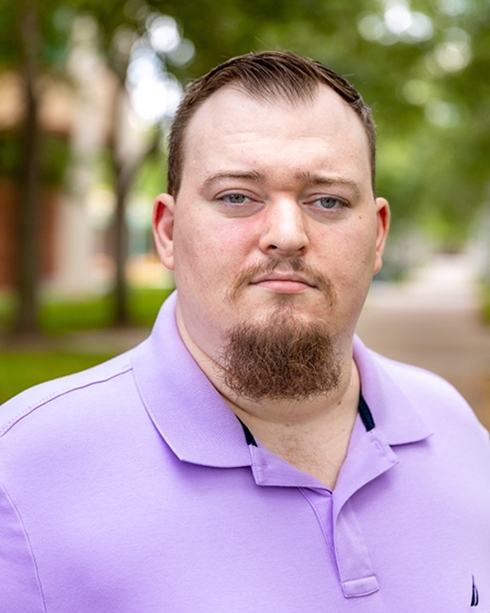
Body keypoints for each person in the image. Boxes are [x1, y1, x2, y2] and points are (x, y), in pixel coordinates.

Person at [1, 50, 489, 613]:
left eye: (327, 200)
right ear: (167, 230)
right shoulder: (21, 475)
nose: (287, 234)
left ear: (377, 236)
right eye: (237, 196)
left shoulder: (453, 427)